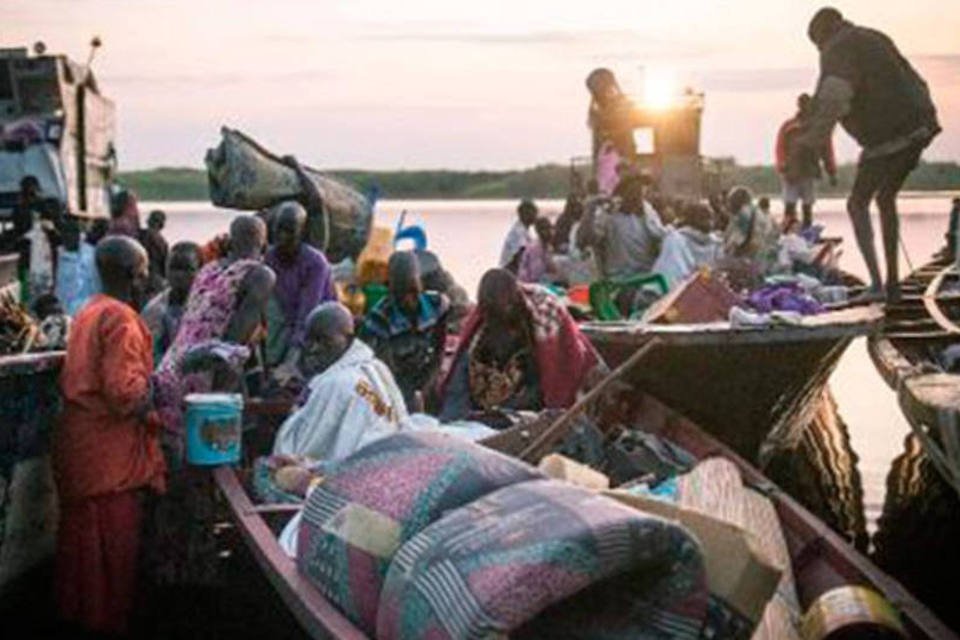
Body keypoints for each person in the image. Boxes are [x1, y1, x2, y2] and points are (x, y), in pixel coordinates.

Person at [148, 216, 274, 588]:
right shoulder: (260, 276)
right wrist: (223, 402)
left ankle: (166, 569)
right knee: (204, 477)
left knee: (174, 475)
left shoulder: (209, 270)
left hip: (170, 371)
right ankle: (199, 578)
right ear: (262, 245)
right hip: (201, 381)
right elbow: (232, 349)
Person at [53, 236, 165, 636]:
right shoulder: (120, 319)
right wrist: (160, 389)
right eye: (146, 272)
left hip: (77, 445)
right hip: (107, 457)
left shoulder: (87, 310)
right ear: (135, 276)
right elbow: (125, 394)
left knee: (79, 563)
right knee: (109, 563)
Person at [797, 7, 940, 302]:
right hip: (922, 124)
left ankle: (878, 285)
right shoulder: (872, 36)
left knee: (857, 204)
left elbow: (834, 99)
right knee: (886, 197)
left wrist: (811, 142)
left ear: (822, 35)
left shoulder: (837, 47)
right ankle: (892, 285)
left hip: (890, 135)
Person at [438, 269, 601, 421]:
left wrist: (504, 414)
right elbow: (459, 379)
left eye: (503, 313)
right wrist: (455, 420)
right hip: (493, 405)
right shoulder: (482, 324)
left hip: (532, 395)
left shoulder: (543, 311)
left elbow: (555, 373)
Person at [274, 302, 408, 459]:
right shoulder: (375, 368)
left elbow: (303, 451)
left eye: (324, 340)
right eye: (309, 340)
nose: (313, 348)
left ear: (349, 340)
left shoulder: (337, 383)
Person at [360, 251, 450, 411]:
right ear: (391, 290)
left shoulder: (437, 305)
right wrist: (408, 396)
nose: (408, 300)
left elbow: (439, 352)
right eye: (400, 295)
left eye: (413, 291)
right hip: (396, 378)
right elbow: (386, 370)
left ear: (420, 285)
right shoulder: (381, 317)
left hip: (426, 372)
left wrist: (426, 386)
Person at [263, 201, 338, 375]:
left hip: (318, 330)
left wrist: (290, 364)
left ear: (302, 233)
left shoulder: (315, 263)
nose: (282, 237)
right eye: (278, 229)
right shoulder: (269, 258)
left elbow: (306, 316)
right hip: (285, 327)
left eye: (289, 231)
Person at [577, 174, 668, 279]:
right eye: (634, 191)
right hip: (620, 280)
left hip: (648, 277)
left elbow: (661, 238)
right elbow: (583, 241)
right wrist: (590, 208)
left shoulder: (648, 214)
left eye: (641, 193)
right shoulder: (609, 216)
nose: (638, 197)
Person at [775, 93, 838, 229]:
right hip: (791, 172)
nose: (805, 107)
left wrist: (832, 172)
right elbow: (780, 147)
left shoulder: (819, 127)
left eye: (807, 104)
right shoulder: (788, 126)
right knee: (789, 205)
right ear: (798, 105)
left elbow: (827, 151)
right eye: (802, 104)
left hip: (809, 171)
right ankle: (787, 233)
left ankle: (806, 233)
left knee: (807, 206)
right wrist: (781, 165)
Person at [141, 241, 203, 362]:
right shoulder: (153, 310)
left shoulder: (209, 306)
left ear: (200, 271)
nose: (178, 275)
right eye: (173, 268)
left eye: (187, 269)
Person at [651, 203, 723, 289]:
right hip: (697, 295)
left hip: (664, 292)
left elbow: (667, 271)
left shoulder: (675, 238)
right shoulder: (716, 245)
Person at [723, 186, 781, 274]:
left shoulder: (743, 214)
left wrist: (727, 249)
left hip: (749, 258)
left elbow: (737, 240)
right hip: (765, 256)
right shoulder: (758, 211)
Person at [499, 198, 538, 271]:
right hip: (508, 269)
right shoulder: (518, 232)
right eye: (533, 213)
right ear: (523, 214)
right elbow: (521, 253)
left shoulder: (525, 231)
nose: (536, 216)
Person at [517, 216, 558, 284]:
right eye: (545, 229)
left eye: (551, 229)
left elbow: (551, 268)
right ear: (538, 231)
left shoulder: (547, 247)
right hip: (529, 284)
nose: (550, 232)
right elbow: (535, 275)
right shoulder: (535, 249)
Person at [140, 209, 170, 297]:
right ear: (162, 225)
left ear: (148, 221)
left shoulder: (140, 234)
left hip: (142, 278)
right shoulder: (162, 242)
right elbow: (165, 265)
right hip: (155, 279)